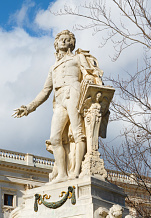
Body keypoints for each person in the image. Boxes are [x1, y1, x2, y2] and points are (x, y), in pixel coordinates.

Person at [13, 30, 93, 183]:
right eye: (60, 40)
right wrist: (29, 107)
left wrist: (89, 79)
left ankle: (76, 171)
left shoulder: (78, 57)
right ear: (56, 45)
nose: (63, 41)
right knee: (55, 138)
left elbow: (88, 73)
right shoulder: (53, 67)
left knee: (77, 132)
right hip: (59, 99)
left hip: (73, 92)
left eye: (66, 39)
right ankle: (62, 174)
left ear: (71, 43)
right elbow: (45, 91)